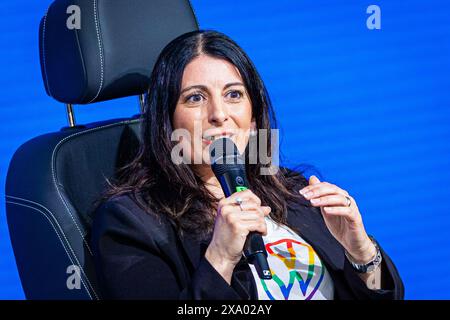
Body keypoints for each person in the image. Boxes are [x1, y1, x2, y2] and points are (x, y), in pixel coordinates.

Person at [90, 30, 404, 300]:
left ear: (253, 120)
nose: (219, 114)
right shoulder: (131, 222)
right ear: (167, 122)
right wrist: (221, 257)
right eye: (195, 98)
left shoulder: (293, 191)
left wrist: (361, 251)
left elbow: (380, 294)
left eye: (234, 94)